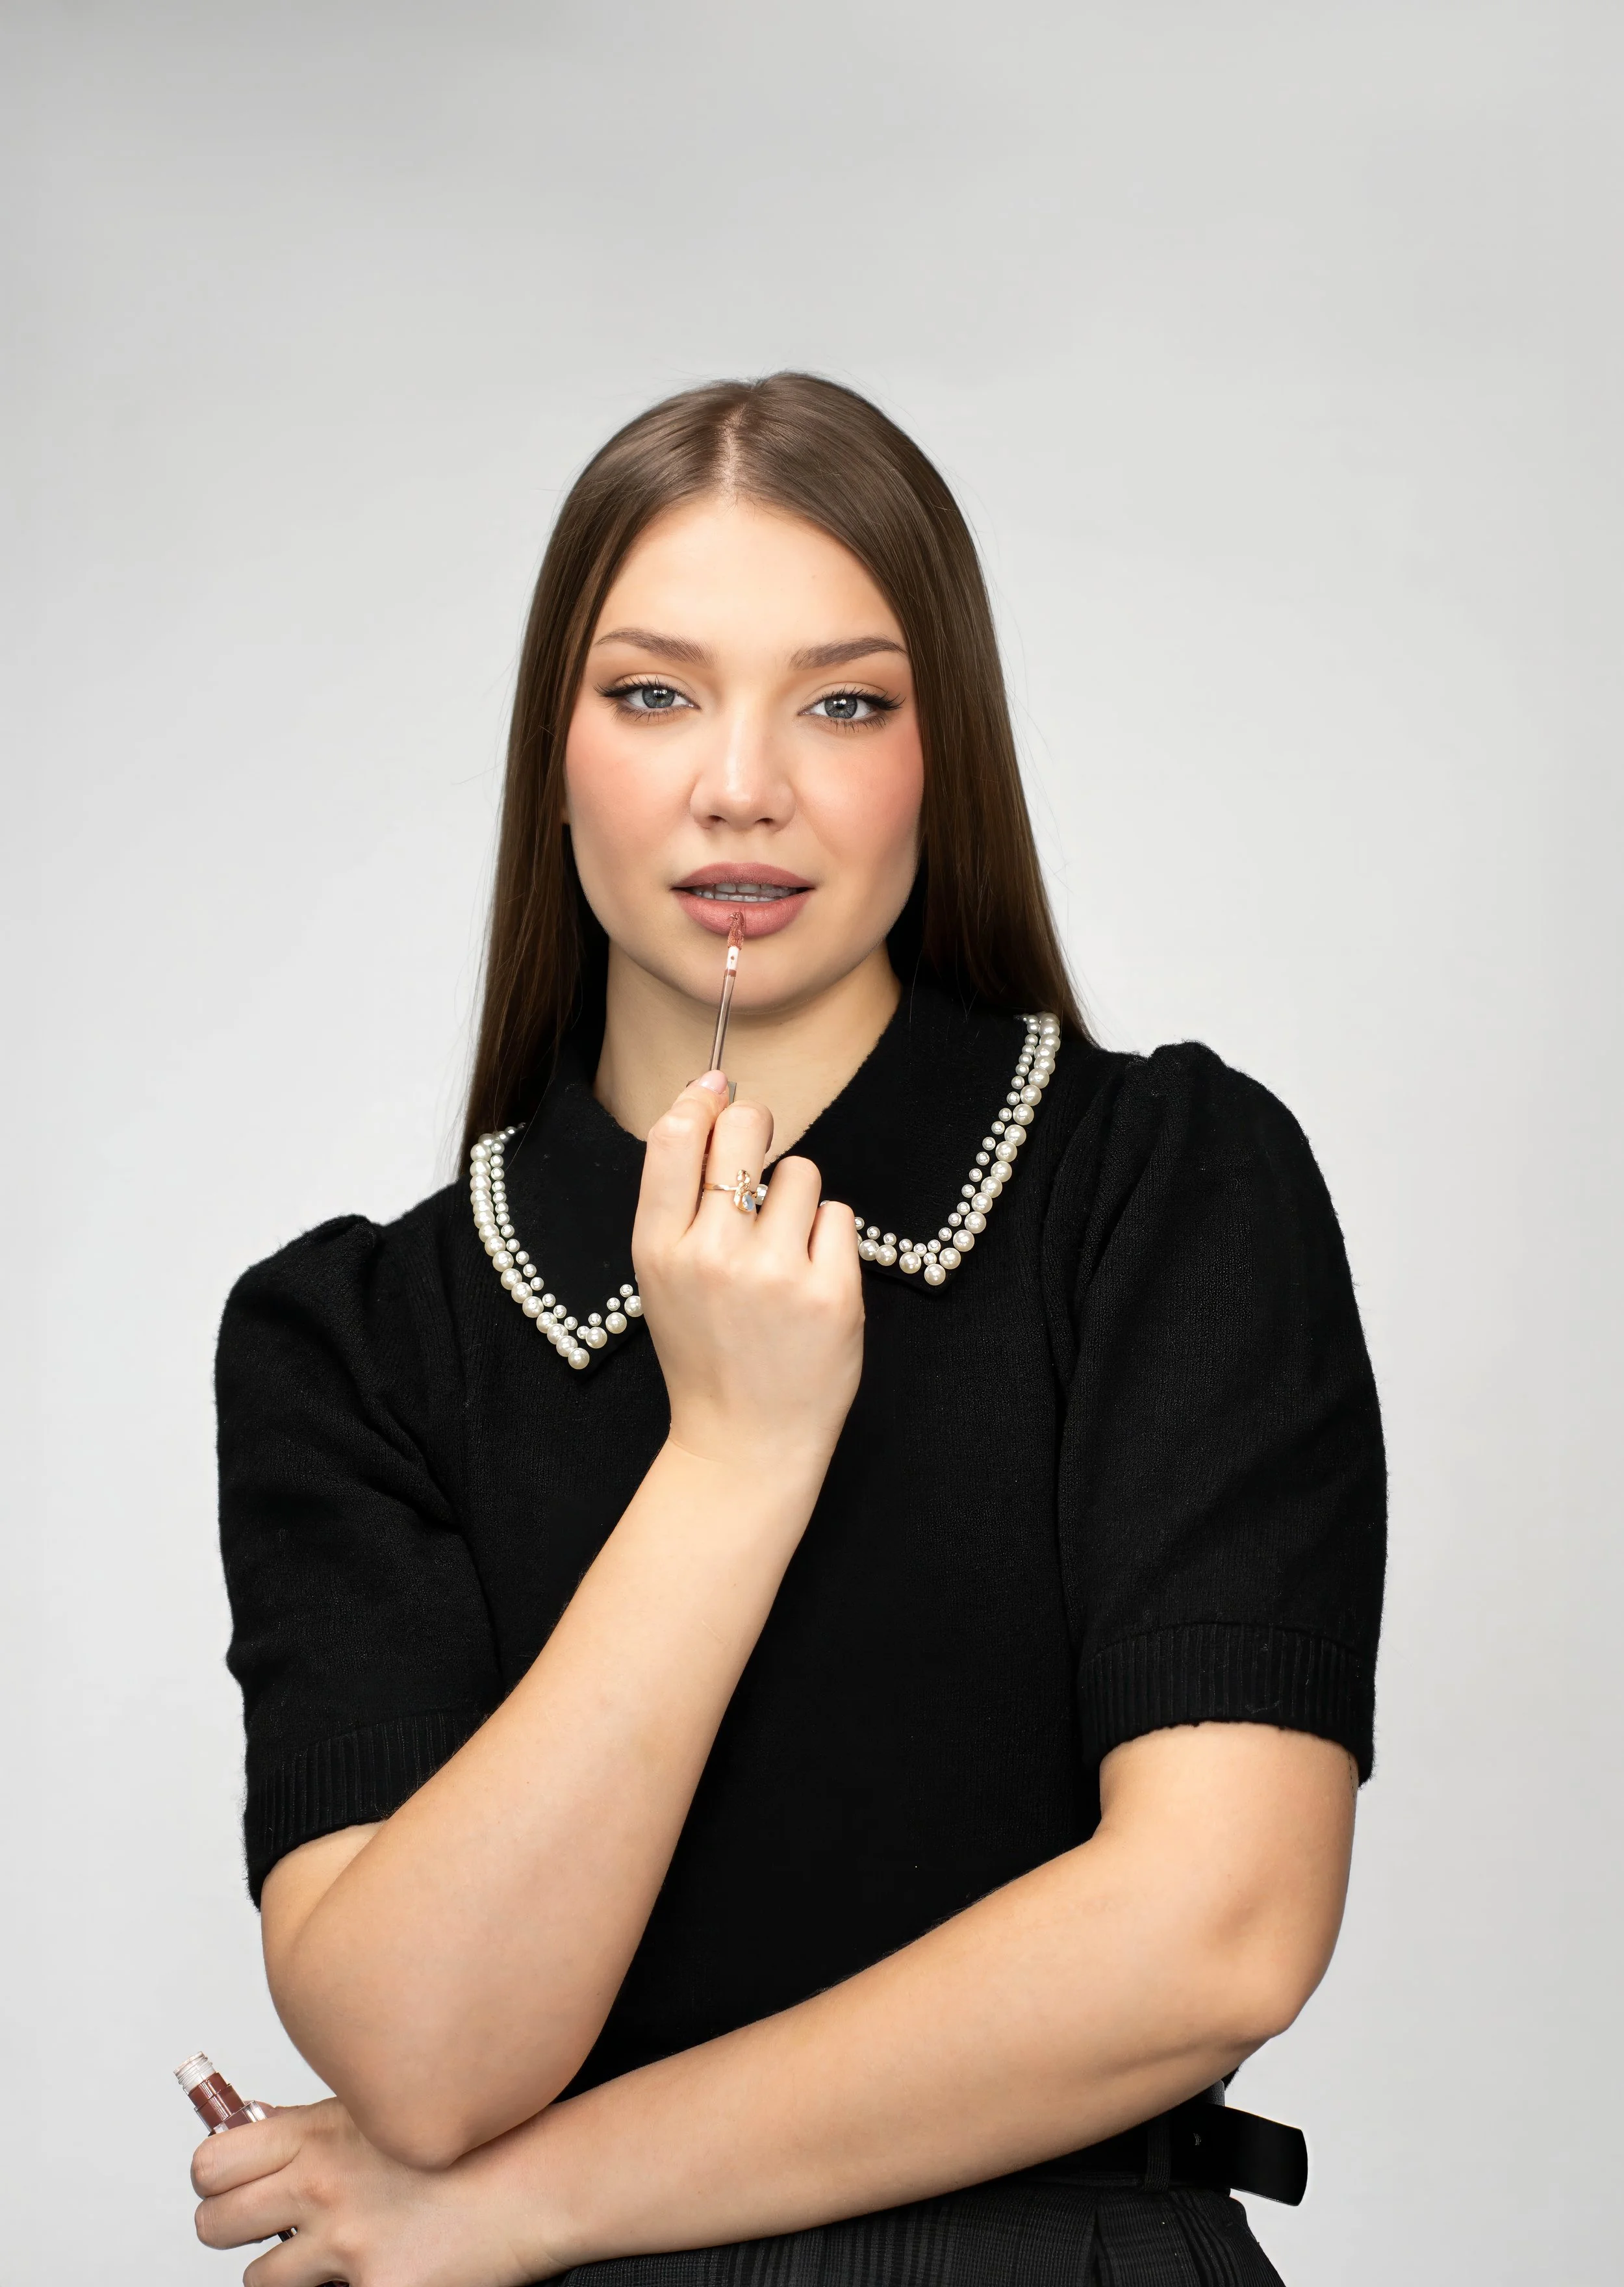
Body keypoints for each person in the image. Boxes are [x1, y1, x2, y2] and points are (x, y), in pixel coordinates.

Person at [194, 374, 1386, 2287]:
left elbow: (1214, 1936)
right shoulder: (354, 1336)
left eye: (844, 701)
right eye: (653, 693)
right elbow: (423, 2057)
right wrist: (732, 1457)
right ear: (552, 754)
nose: (740, 783)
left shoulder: (1161, 1185)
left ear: (944, 755)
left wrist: (517, 2204)